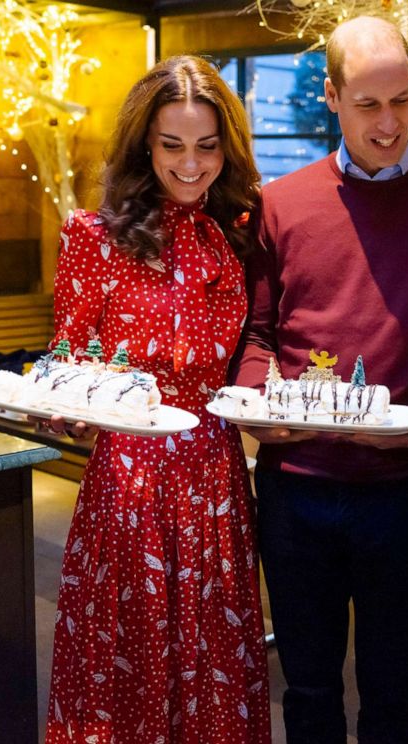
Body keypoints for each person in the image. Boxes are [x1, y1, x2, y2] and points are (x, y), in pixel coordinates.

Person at [232, 16, 408, 744]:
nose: (390, 124)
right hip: (296, 483)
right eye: (368, 104)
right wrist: (259, 407)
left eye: (402, 102)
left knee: (393, 694)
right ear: (330, 95)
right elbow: (258, 335)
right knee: (309, 689)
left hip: (403, 490)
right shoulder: (281, 203)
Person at [42, 56, 270, 743]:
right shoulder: (95, 237)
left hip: (217, 478)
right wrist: (65, 404)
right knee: (128, 663)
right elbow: (65, 361)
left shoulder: (240, 233)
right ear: (145, 142)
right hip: (128, 483)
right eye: (173, 145)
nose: (192, 164)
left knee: (214, 663)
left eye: (207, 146)